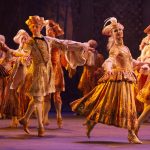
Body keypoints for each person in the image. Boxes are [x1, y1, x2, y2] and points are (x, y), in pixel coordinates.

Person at [70, 17, 142, 144]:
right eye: (116, 31)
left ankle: (91, 123)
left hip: (127, 79)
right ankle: (130, 133)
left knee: (118, 106)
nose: (119, 32)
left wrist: (142, 63)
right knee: (115, 105)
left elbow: (131, 61)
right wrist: (108, 68)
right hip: (118, 80)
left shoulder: (126, 48)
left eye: (120, 30)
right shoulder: (115, 48)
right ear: (112, 34)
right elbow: (110, 60)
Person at [43, 20, 65, 128]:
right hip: (47, 70)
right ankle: (45, 116)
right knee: (46, 95)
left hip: (56, 69)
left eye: (49, 30)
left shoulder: (57, 42)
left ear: (54, 31)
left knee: (57, 95)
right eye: (46, 30)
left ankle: (58, 115)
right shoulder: (44, 41)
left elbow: (65, 51)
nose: (48, 32)